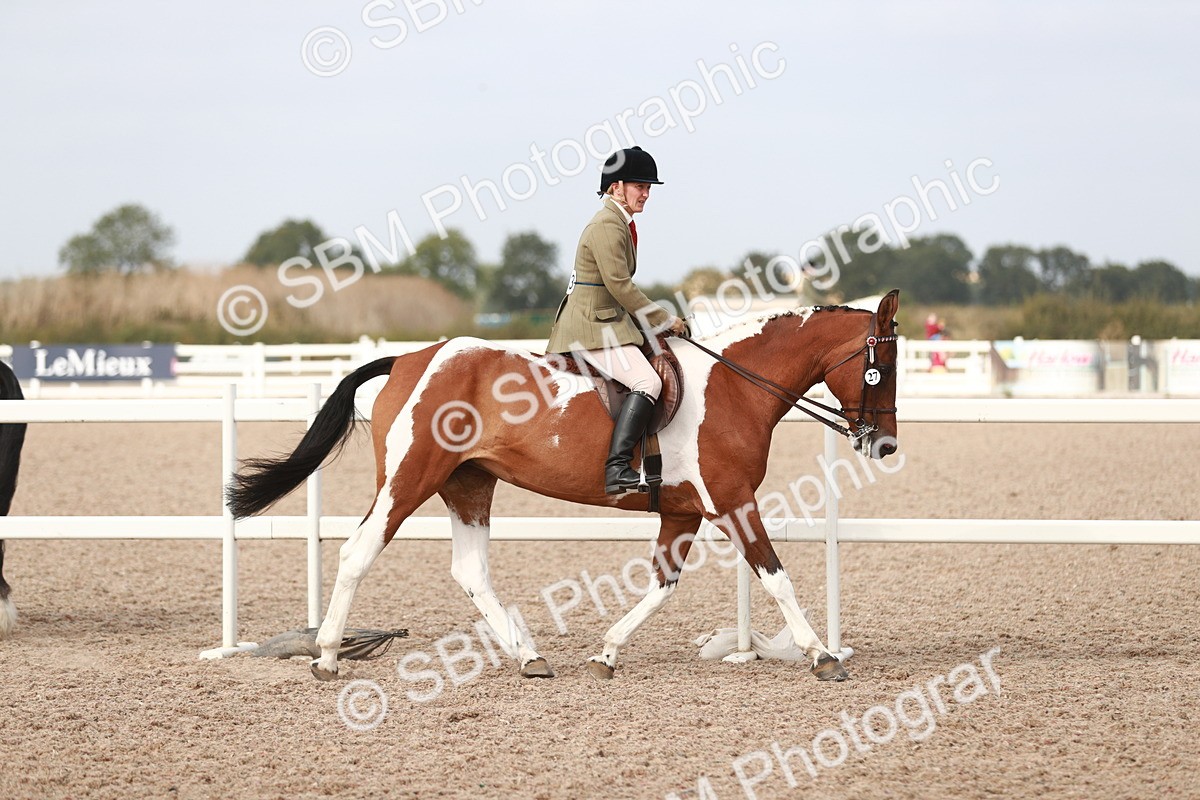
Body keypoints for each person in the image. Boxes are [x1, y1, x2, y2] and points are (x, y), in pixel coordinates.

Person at [546, 146, 688, 495]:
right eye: (640, 186)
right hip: (592, 327)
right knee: (648, 382)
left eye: (648, 187)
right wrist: (665, 318)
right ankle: (617, 468)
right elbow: (620, 286)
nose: (646, 194)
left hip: (608, 321)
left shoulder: (619, 222)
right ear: (616, 187)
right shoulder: (607, 224)